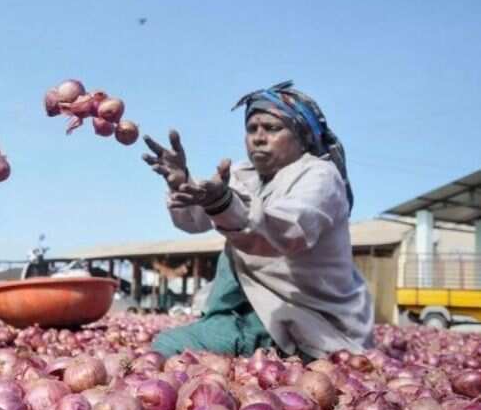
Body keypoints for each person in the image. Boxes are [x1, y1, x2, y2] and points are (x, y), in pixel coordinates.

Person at [142, 81, 374, 361]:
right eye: (252, 129)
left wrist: (222, 203)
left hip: (303, 319)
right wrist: (181, 184)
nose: (258, 137)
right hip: (255, 311)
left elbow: (287, 231)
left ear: (302, 136)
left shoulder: (319, 176)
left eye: (272, 128)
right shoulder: (245, 174)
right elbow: (195, 222)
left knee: (169, 346)